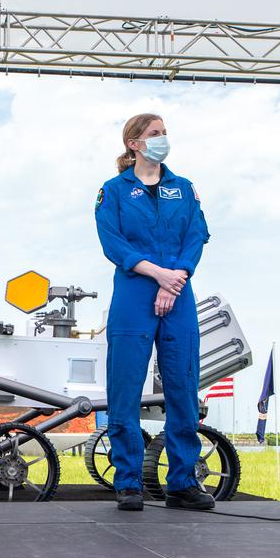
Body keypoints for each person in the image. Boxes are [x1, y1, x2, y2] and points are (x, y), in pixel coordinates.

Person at [95, 113, 212, 511]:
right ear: (134, 143)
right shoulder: (113, 190)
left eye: (164, 132)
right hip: (134, 291)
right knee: (125, 386)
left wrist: (175, 277)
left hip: (179, 291)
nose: (163, 139)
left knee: (183, 384)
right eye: (155, 134)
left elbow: (197, 235)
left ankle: (182, 480)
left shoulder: (184, 188)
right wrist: (158, 274)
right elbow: (112, 243)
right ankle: (128, 481)